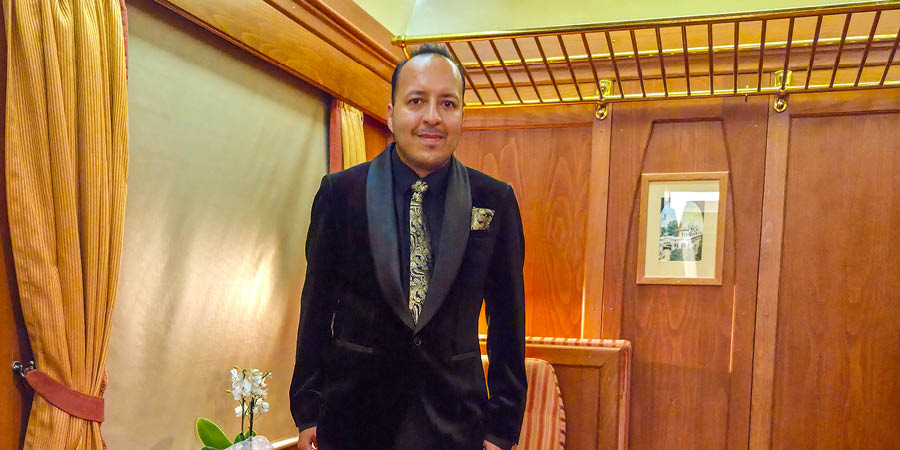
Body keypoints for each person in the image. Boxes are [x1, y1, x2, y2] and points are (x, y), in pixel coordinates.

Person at [290, 43, 526, 450]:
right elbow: (316, 308)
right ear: (391, 113)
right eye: (417, 101)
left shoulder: (494, 199)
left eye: (447, 103)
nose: (432, 117)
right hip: (353, 419)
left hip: (456, 423)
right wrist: (307, 409)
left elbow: (508, 321)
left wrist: (501, 428)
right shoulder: (341, 193)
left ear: (462, 114)